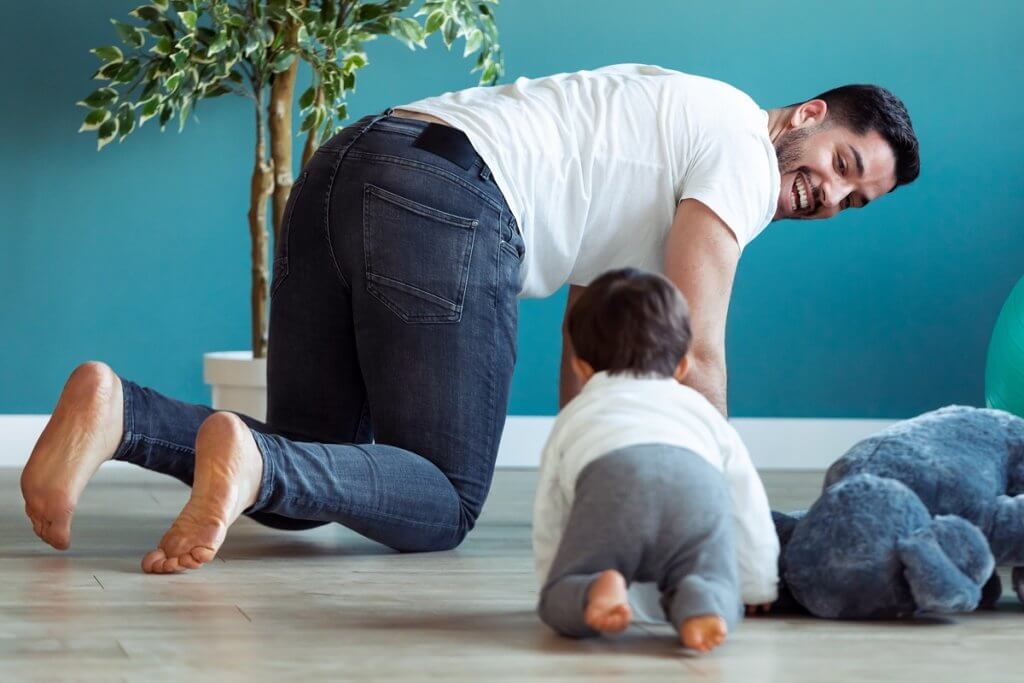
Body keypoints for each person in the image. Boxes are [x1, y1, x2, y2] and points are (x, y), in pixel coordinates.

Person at [20, 64, 919, 572]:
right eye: (841, 160)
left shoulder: (676, 126)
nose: (830, 194)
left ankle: (120, 411)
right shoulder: (744, 156)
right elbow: (699, 347)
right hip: (449, 202)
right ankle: (245, 454)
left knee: (311, 458)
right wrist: (729, 517)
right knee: (445, 499)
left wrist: (583, 492)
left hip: (349, 167)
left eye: (855, 197)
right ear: (806, 116)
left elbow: (590, 335)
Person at [533, 268, 778, 651]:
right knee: (716, 581)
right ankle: (702, 601)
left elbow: (551, 506)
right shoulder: (701, 413)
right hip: (695, 486)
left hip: (612, 482)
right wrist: (758, 582)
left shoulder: (577, 416)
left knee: (561, 599)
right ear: (682, 365)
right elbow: (746, 498)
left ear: (581, 367)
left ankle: (595, 589)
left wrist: (557, 577)